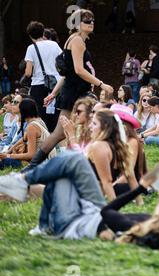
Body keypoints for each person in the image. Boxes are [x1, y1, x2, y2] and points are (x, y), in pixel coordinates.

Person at [0, 154, 159, 248]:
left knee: (68, 167)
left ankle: (22, 183)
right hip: (91, 214)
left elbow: (108, 212)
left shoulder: (140, 227)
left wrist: (141, 187)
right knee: (71, 162)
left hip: (73, 222)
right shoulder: (154, 226)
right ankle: (40, 219)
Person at [22, 9, 114, 173]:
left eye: (92, 20)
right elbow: (78, 70)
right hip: (78, 93)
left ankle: (33, 167)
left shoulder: (73, 39)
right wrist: (101, 84)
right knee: (102, 120)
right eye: (86, 20)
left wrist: (53, 93)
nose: (91, 22)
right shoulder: (77, 41)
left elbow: (66, 74)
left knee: (59, 134)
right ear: (77, 24)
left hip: (72, 91)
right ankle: (100, 162)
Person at [24, 21, 62, 132]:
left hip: (38, 84)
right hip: (56, 83)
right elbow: (62, 61)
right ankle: (55, 138)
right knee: (55, 112)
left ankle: (44, 140)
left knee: (40, 114)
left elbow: (28, 72)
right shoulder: (54, 44)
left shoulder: (31, 48)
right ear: (42, 32)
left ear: (30, 35)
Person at [0, 98, 52, 170]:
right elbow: (23, 139)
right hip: (48, 160)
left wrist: (8, 156)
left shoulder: (31, 127)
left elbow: (31, 155)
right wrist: (8, 151)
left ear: (23, 111)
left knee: (5, 161)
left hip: (42, 164)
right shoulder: (38, 120)